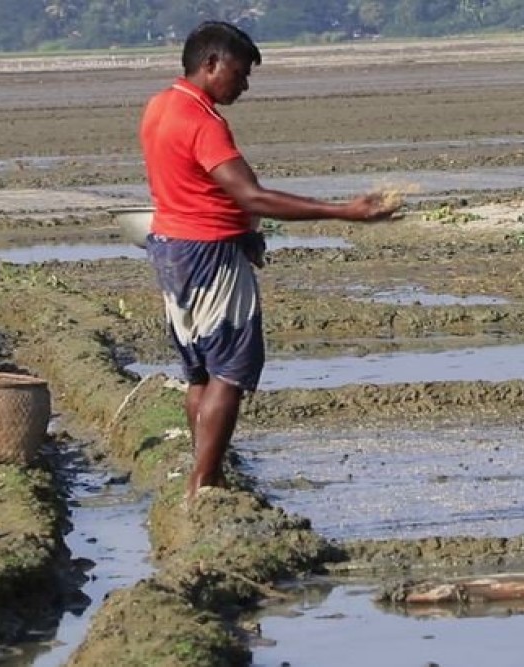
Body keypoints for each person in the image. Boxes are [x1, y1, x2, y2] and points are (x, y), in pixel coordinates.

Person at [139, 21, 397, 500]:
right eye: (239, 73)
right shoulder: (202, 121)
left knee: (198, 369)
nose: (244, 85)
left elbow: (203, 189)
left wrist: (245, 233)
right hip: (208, 252)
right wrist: (345, 212)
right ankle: (207, 481)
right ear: (211, 63)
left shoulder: (160, 106)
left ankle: (203, 469)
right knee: (229, 371)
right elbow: (251, 195)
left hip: (171, 246)